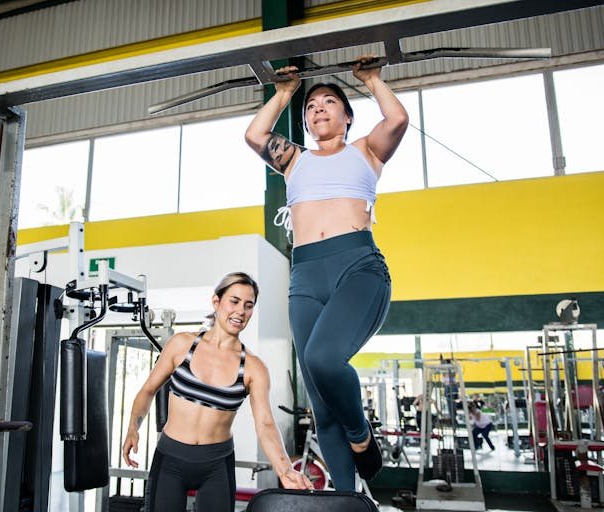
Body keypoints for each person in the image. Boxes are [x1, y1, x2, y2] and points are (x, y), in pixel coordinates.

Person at [244, 55, 408, 491]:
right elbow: (255, 134)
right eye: (312, 104)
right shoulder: (294, 159)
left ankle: (360, 435)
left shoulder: (367, 150)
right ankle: (345, 495)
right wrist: (283, 95)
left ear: (347, 117)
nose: (318, 107)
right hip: (306, 277)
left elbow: (398, 117)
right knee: (320, 400)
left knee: (321, 359)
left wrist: (372, 79)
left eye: (329, 101)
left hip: (357, 267)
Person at [122, 272, 312, 512]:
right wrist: (132, 427)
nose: (240, 311)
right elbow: (148, 390)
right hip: (170, 459)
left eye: (248, 305)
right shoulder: (182, 345)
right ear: (216, 302)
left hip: (216, 465)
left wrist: (285, 469)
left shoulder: (254, 367)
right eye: (234, 301)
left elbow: (265, 424)